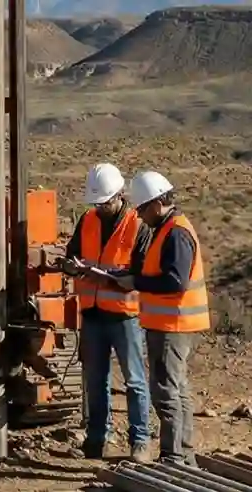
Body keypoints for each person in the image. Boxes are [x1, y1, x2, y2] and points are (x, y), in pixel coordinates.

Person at [113, 170, 210, 466]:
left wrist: (136, 283)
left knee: (167, 392)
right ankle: (183, 454)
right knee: (176, 389)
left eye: (142, 209)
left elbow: (174, 281)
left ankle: (174, 457)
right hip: (168, 323)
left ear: (156, 203)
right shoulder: (168, 229)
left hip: (173, 324)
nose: (140, 216)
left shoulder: (176, 232)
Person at [64, 163, 152, 462]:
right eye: (96, 203)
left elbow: (140, 274)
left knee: (135, 381)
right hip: (93, 314)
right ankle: (97, 438)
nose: (100, 208)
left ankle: (140, 441)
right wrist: (72, 267)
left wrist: (109, 278)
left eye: (105, 203)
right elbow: (70, 254)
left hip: (125, 316)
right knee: (95, 379)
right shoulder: (87, 219)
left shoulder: (137, 225)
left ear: (120, 196)